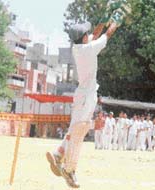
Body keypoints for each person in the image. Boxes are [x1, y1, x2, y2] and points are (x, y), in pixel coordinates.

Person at [46, 20, 118, 188]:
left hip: (82, 95)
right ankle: (69, 170)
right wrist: (116, 21)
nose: (89, 34)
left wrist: (103, 21)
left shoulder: (79, 47)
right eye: (87, 34)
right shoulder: (89, 49)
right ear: (84, 38)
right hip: (87, 96)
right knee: (79, 131)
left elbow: (97, 33)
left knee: (74, 129)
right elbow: (106, 35)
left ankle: (59, 153)